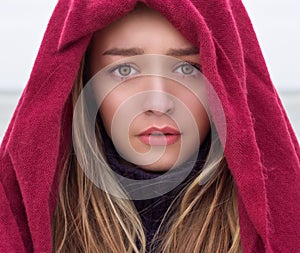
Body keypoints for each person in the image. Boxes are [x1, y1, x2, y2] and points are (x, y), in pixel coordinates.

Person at [0, 1, 299, 253]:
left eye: (187, 68)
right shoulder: (33, 227)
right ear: (83, 86)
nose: (158, 102)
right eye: (124, 70)